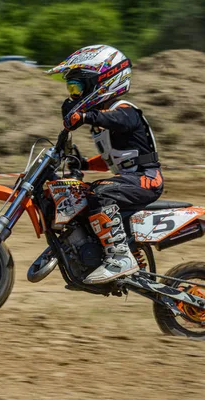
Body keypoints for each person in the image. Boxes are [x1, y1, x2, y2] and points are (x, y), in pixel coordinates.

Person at [45, 45, 163, 285]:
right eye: (71, 89)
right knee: (82, 195)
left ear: (101, 82)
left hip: (147, 179)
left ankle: (120, 258)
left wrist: (87, 116)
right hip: (131, 179)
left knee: (100, 192)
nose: (73, 95)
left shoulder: (125, 111)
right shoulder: (103, 121)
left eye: (77, 87)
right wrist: (84, 163)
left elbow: (119, 121)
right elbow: (115, 158)